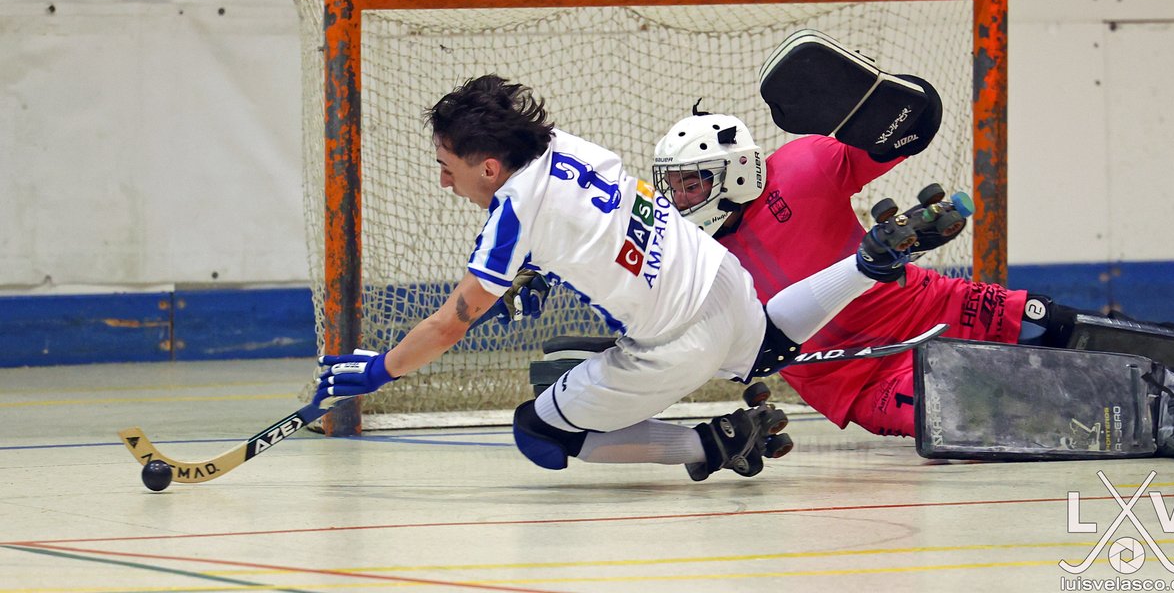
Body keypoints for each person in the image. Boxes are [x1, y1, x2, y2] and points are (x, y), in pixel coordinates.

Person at [310, 74, 967, 480]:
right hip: (728, 281)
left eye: (447, 163)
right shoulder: (566, 145)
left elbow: (451, 320)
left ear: (488, 167)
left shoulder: (512, 213)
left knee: (540, 433)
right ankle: (867, 264)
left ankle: (706, 446)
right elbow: (583, 227)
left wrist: (379, 372)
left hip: (676, 345)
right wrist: (534, 269)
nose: (442, 177)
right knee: (766, 347)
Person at [649, 94, 1174, 455]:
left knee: (1057, 326)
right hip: (865, 382)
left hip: (930, 303)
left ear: (737, 168)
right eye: (673, 186)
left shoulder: (805, 166)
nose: (679, 198)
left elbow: (901, 134)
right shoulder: (689, 253)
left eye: (691, 183)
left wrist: (890, 94)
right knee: (1014, 402)